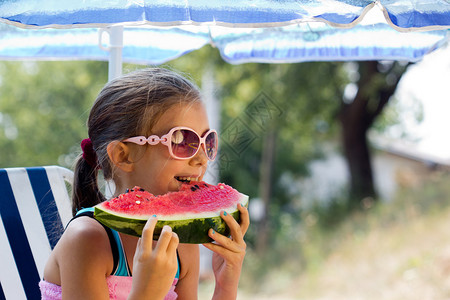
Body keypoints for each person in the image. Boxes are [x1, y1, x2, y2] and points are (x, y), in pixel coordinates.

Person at [39, 68, 250, 300]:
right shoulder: (87, 241)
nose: (201, 158)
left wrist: (226, 284)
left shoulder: (182, 246)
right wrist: (146, 293)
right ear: (123, 155)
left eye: (207, 141)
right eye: (182, 140)